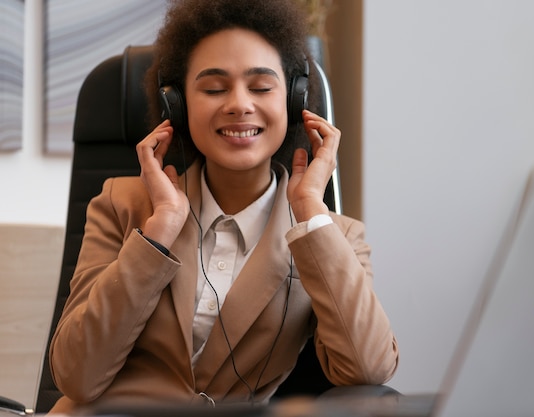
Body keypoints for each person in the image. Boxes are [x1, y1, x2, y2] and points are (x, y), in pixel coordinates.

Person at [47, 0, 399, 413]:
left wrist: (310, 214)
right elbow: (76, 376)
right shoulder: (121, 205)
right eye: (214, 88)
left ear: (292, 101)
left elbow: (369, 368)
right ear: (176, 105)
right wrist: (159, 232)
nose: (239, 104)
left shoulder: (332, 235)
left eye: (261, 87)